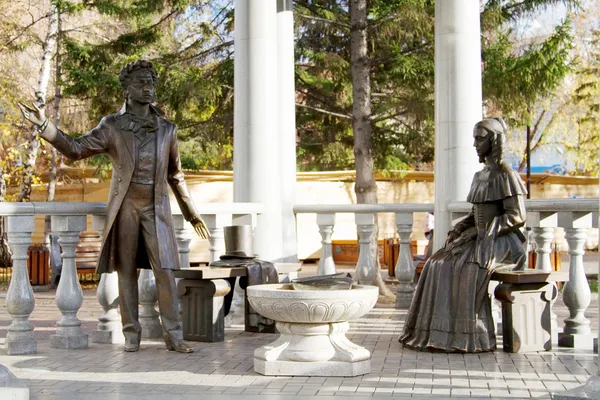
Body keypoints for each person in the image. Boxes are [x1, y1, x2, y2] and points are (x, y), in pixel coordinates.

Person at [18, 60, 210, 353]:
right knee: (126, 272)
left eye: (150, 83)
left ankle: (173, 334)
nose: (147, 88)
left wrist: (191, 212)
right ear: (126, 88)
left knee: (166, 272)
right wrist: (46, 127)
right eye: (140, 83)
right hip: (126, 208)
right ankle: (132, 334)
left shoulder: (167, 129)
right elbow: (76, 148)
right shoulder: (112, 126)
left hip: (157, 209)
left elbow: (175, 174)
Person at [399, 118, 527, 353]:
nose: (475, 143)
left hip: (503, 242)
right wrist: (460, 229)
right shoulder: (480, 176)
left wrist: (484, 232)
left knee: (463, 267)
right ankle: (435, 334)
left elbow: (516, 216)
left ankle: (474, 336)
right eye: (474, 138)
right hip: (479, 237)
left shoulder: (506, 174)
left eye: (480, 138)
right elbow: (475, 212)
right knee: (436, 263)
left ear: (494, 140)